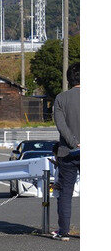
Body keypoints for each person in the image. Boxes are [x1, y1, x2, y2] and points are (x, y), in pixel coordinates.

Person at [52, 62, 80, 241]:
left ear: (69, 78)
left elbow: (61, 126)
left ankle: (63, 231)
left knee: (66, 193)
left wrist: (74, 143)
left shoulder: (61, 98)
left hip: (67, 152)